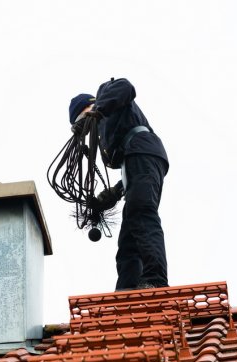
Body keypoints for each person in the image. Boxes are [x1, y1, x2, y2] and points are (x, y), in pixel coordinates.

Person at [68, 78, 169, 290]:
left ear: (88, 106)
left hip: (143, 150)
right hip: (136, 161)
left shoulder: (106, 94)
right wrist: (114, 192)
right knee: (128, 238)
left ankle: (155, 280)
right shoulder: (106, 137)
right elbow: (132, 169)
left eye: (82, 119)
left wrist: (99, 109)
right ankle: (126, 290)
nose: (86, 128)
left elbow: (127, 86)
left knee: (141, 213)